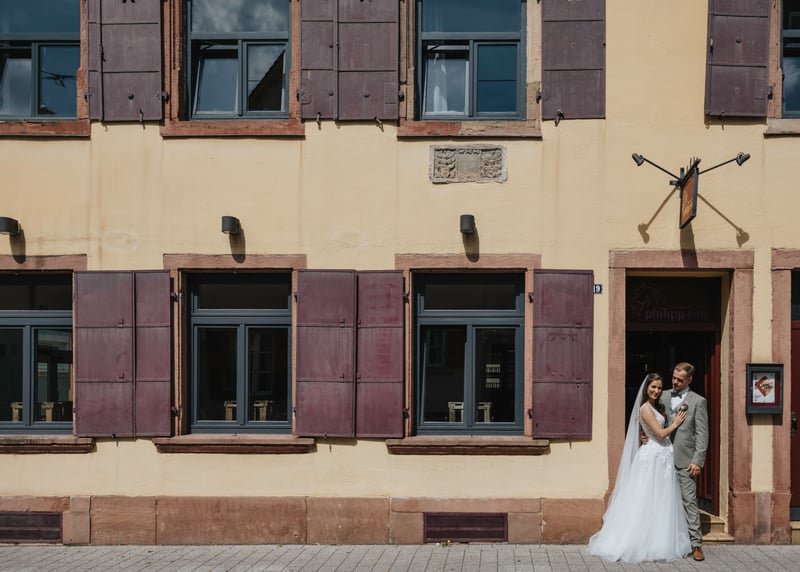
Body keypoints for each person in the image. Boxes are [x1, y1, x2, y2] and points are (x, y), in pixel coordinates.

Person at [588, 373, 691, 563]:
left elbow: (651, 431)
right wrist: (676, 424)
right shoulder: (645, 409)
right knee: (646, 497)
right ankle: (640, 540)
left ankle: (657, 540)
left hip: (662, 456)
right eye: (653, 387)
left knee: (660, 499)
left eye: (659, 388)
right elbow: (660, 434)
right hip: (652, 457)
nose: (656, 391)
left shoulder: (656, 406)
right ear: (646, 388)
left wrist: (646, 434)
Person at [660, 362, 709, 562]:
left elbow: (702, 434)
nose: (675, 382)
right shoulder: (662, 396)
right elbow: (650, 419)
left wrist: (697, 460)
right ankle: (663, 540)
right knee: (661, 499)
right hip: (661, 457)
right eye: (674, 378)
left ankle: (696, 544)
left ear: (690, 380)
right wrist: (644, 437)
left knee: (689, 501)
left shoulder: (698, 401)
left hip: (685, 459)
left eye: (680, 380)